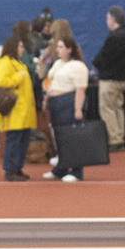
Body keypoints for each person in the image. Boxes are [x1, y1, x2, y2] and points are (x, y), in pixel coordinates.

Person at [43, 35, 89, 183]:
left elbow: (80, 90)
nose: (58, 49)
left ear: (70, 49)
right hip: (55, 104)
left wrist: (78, 109)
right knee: (59, 138)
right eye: (58, 47)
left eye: (61, 47)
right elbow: (50, 82)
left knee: (72, 138)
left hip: (68, 103)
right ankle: (61, 169)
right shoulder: (57, 63)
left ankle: (76, 171)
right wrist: (46, 99)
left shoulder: (77, 66)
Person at [92, 6, 125, 151]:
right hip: (123, 80)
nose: (107, 21)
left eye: (107, 18)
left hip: (110, 79)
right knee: (118, 108)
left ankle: (114, 139)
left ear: (113, 19)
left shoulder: (115, 37)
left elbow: (103, 57)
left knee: (107, 109)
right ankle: (120, 137)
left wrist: (95, 63)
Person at [0, 34, 35, 181]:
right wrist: (19, 77)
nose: (22, 49)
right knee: (14, 140)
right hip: (15, 110)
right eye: (20, 46)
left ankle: (18, 168)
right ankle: (10, 170)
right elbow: (2, 82)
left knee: (23, 141)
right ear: (13, 47)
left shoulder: (18, 63)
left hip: (24, 110)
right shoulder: (5, 63)